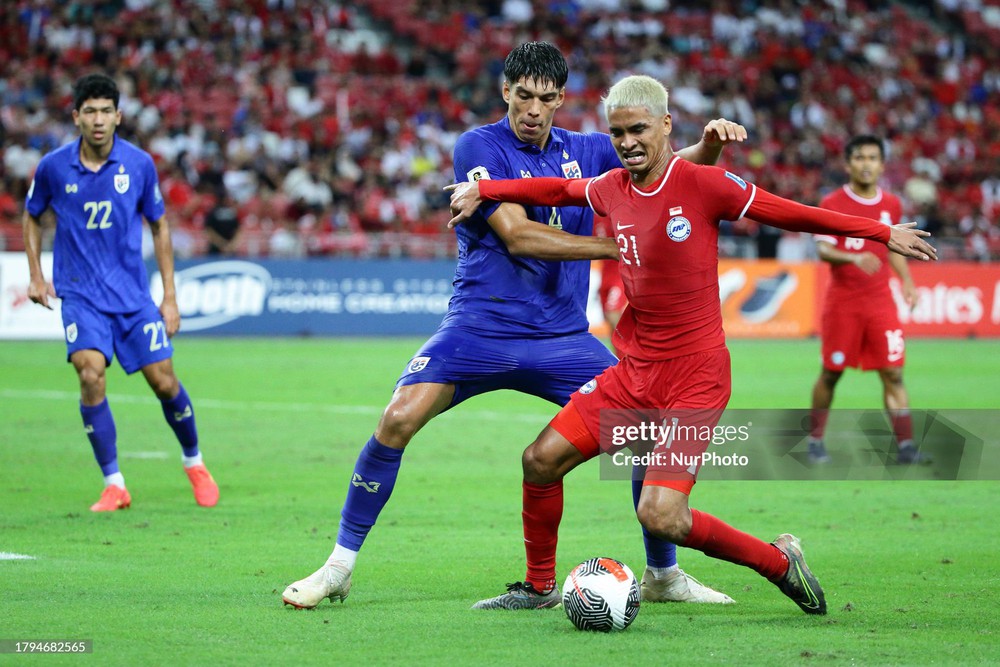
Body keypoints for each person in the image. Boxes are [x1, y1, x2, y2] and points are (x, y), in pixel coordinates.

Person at [446, 74, 937, 613]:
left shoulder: (704, 184)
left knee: (661, 515)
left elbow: (790, 212)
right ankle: (539, 589)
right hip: (631, 375)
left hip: (695, 378)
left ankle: (778, 562)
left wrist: (879, 231)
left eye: (637, 130)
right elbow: (554, 189)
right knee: (539, 460)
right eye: (616, 133)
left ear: (664, 126)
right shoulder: (611, 186)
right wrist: (486, 188)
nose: (627, 142)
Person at [282, 43, 746, 609]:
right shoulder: (478, 146)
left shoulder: (590, 148)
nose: (533, 109)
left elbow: (663, 165)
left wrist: (710, 147)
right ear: (505, 91)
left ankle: (663, 577)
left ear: (561, 100)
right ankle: (337, 567)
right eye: (523, 96)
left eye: (546, 99)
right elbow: (518, 234)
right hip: (479, 330)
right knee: (397, 419)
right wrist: (622, 245)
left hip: (563, 339)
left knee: (644, 431)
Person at [22, 73, 219, 512]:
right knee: (90, 373)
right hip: (80, 294)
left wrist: (169, 295)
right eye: (89, 111)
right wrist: (36, 275)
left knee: (164, 381)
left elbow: (160, 224)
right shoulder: (54, 166)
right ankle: (115, 483)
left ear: (118, 116)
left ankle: (194, 462)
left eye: (105, 111)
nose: (97, 119)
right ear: (75, 117)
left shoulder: (139, 164)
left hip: (132, 296)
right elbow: (32, 215)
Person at [807, 135, 924, 464]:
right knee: (832, 372)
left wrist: (907, 281)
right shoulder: (832, 203)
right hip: (843, 303)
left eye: (872, 158)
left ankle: (906, 447)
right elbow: (823, 248)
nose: (866, 164)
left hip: (880, 303)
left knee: (894, 373)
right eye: (859, 158)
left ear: (882, 164)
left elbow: (894, 248)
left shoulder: (892, 205)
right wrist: (852, 258)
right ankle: (815, 440)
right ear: (848, 164)